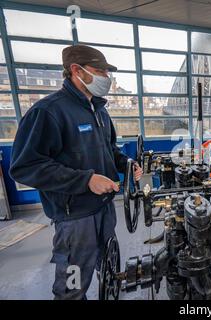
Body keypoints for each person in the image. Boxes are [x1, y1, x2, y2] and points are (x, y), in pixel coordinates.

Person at [9, 45, 143, 299]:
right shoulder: (48, 112)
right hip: (75, 220)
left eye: (107, 72)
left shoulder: (100, 111)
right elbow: (25, 166)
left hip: (105, 209)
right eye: (99, 71)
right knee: (72, 286)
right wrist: (86, 180)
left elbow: (109, 150)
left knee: (109, 268)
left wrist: (127, 163)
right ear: (75, 70)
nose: (106, 78)